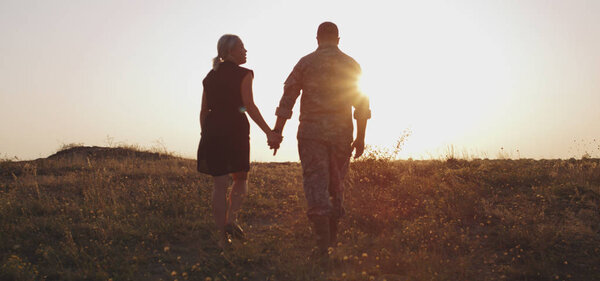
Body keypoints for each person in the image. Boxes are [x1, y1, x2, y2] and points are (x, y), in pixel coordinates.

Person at [270, 22, 371, 255]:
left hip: (311, 134)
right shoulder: (351, 64)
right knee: (336, 183)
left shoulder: (305, 63)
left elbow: (288, 98)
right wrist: (361, 138)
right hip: (341, 134)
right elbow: (362, 103)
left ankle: (322, 245)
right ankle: (332, 241)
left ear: (317, 38)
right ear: (338, 39)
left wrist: (277, 131)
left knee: (315, 183)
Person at [198, 34, 282, 244]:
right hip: (235, 129)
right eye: (242, 47)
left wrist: (205, 134)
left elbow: (203, 111)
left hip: (212, 130)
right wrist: (268, 132)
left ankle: (221, 236)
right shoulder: (244, 74)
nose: (245, 51)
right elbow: (249, 106)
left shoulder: (209, 76)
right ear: (230, 52)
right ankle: (231, 220)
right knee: (240, 179)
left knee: (219, 185)